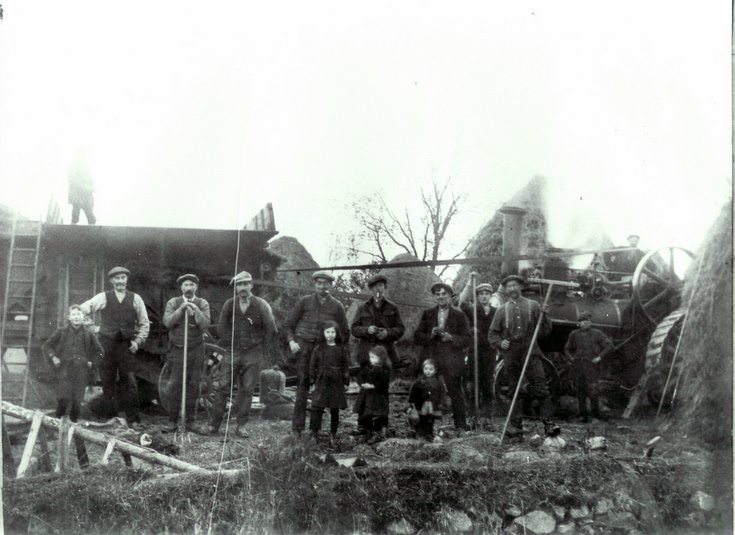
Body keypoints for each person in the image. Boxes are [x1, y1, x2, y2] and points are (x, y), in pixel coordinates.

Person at [205, 271, 277, 437]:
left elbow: (271, 330)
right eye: (239, 285)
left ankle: (241, 426)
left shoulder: (261, 305)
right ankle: (214, 425)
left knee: (247, 389)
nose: (243, 288)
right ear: (236, 287)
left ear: (251, 285)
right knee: (223, 387)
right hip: (233, 352)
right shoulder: (229, 304)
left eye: (246, 284)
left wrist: (261, 348)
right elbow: (221, 328)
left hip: (253, 353)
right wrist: (231, 343)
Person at [488, 275, 559, 439]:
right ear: (506, 289)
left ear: (520, 287)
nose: (512, 289)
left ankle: (549, 424)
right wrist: (500, 343)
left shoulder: (533, 306)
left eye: (515, 285)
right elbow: (492, 334)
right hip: (512, 354)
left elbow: (545, 332)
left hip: (531, 352)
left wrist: (545, 317)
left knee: (541, 386)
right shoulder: (501, 310)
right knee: (514, 390)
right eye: (509, 286)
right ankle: (515, 427)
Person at [80, 267, 150, 425]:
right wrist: (93, 328)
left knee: (129, 381)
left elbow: (144, 323)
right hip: (106, 345)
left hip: (126, 346)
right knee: (107, 381)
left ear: (127, 280)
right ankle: (111, 419)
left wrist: (138, 341)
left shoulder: (135, 298)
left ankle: (133, 419)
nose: (120, 281)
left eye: (123, 278)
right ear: (111, 281)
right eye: (117, 278)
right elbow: (81, 310)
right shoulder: (104, 297)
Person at [285, 270, 350, 436]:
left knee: (322, 390)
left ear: (330, 285)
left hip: (324, 352)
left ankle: (317, 430)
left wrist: (335, 348)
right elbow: (289, 325)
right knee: (302, 387)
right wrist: (292, 342)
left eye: (325, 283)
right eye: (319, 283)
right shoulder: (305, 302)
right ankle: (297, 429)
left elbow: (344, 331)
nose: (322, 286)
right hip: (304, 349)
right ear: (315, 284)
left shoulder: (337, 306)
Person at [413, 281, 471, 435]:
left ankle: (460, 426)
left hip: (451, 361)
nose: (441, 297)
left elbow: (467, 339)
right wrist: (430, 335)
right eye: (437, 294)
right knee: (427, 392)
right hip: (431, 361)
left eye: (444, 294)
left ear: (450, 296)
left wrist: (451, 338)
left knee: (455, 393)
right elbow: (417, 337)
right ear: (434, 297)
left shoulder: (459, 315)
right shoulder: (428, 314)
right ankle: (425, 428)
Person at [160, 274, 211, 432]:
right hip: (177, 347)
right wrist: (182, 309)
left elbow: (205, 324)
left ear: (196, 287)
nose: (188, 288)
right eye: (185, 285)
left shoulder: (202, 303)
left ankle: (190, 422)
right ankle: (172, 422)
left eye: (191, 285)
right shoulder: (173, 303)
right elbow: (167, 322)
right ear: (181, 287)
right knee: (174, 384)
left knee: (194, 385)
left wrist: (195, 310)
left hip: (196, 348)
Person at [42, 305, 104, 422]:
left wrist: (92, 363)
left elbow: (100, 351)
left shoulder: (89, 334)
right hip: (64, 371)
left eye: (79, 314)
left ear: (83, 317)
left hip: (81, 372)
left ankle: (73, 428)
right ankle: (58, 425)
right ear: (69, 317)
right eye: (73, 315)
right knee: (63, 399)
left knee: (77, 402)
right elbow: (47, 346)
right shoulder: (62, 332)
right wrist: (53, 357)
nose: (76, 317)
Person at [564, 311, 615, 422]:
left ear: (590, 322)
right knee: (580, 390)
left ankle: (595, 415)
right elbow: (567, 349)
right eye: (582, 322)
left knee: (593, 390)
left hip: (591, 365)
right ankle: (582, 415)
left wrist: (599, 357)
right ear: (579, 323)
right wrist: (571, 359)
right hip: (578, 365)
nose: (584, 324)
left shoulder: (597, 333)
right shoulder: (574, 334)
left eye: (586, 321)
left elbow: (609, 346)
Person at [458, 274, 497, 418]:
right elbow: (462, 302)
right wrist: (469, 283)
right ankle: (473, 415)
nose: (484, 297)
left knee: (487, 383)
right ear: (477, 296)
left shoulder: (495, 312)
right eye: (481, 294)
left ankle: (487, 417)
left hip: (490, 351)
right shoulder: (473, 310)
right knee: (474, 383)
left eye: (487, 294)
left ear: (491, 296)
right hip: (475, 350)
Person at [351, 273, 405, 370]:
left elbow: (401, 329)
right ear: (371, 289)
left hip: (387, 351)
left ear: (385, 287)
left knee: (386, 378)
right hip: (366, 353)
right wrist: (367, 330)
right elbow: (354, 329)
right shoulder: (363, 308)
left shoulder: (392, 307)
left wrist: (387, 333)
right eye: (374, 286)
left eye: (380, 285)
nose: (378, 289)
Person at [309, 320, 350, 447]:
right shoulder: (319, 348)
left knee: (334, 408)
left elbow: (345, 366)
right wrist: (312, 381)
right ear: (323, 333)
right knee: (317, 407)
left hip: (336, 380)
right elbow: (312, 365)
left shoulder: (341, 349)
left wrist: (346, 381)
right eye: (327, 332)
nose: (330, 334)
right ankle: (314, 434)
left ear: (337, 333)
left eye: (333, 332)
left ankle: (332, 435)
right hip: (322, 379)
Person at [353, 346, 391, 444]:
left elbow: (383, 383)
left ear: (381, 358)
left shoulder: (384, 370)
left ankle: (377, 433)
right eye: (370, 357)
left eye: (373, 357)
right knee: (365, 413)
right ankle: (366, 432)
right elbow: (360, 376)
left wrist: (373, 386)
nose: (370, 359)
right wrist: (362, 383)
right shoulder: (367, 368)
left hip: (378, 397)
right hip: (366, 396)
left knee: (377, 415)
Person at [408, 359, 443, 441]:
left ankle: (429, 434)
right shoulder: (419, 381)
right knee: (421, 419)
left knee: (431, 419)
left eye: (431, 369)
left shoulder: (438, 382)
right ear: (423, 369)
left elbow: (442, 393)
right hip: (421, 404)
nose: (428, 371)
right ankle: (419, 433)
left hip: (433, 405)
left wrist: (441, 402)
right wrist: (412, 402)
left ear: (435, 371)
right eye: (426, 369)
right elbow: (413, 391)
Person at [67, 148, 96, 225]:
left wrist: (93, 187)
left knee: (91, 218)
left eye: (84, 154)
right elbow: (73, 181)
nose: (83, 155)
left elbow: (90, 179)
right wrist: (87, 188)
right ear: (78, 154)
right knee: (75, 217)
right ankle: (71, 233)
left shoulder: (86, 166)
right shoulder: (73, 166)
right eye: (81, 153)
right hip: (77, 196)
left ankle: (92, 235)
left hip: (86, 196)